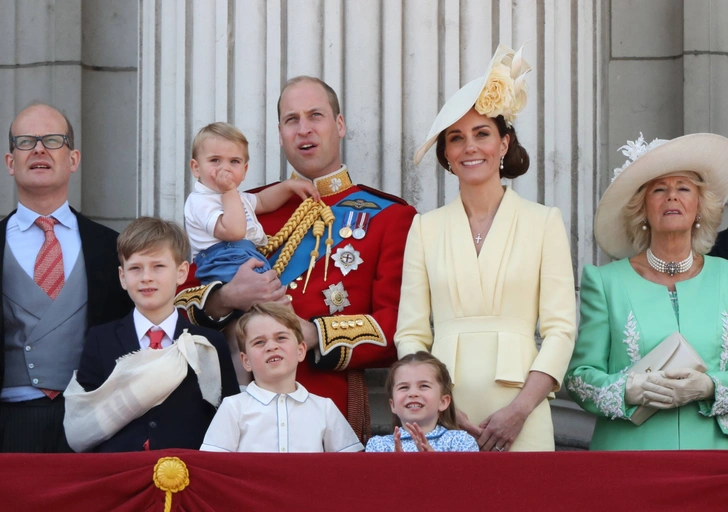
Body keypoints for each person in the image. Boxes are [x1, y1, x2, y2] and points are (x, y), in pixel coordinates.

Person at [175, 76, 417, 441]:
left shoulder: (389, 216)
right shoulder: (241, 208)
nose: (304, 129)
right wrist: (226, 298)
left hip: (327, 404)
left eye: (315, 116)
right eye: (292, 120)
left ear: (339, 125)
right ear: (280, 132)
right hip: (238, 405)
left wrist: (313, 334)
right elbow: (177, 301)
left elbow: (397, 328)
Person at [395, 44, 577, 452]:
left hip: (524, 410)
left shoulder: (544, 222)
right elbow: (410, 332)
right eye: (456, 139)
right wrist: (438, 409)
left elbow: (561, 330)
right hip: (442, 410)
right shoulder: (424, 228)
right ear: (446, 154)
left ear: (504, 143)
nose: (470, 147)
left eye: (482, 134)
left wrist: (521, 410)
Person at [565, 132, 728, 450]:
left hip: (715, 462)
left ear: (699, 207)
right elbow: (579, 378)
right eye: (659, 189)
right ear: (642, 209)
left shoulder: (727, 277)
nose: (672, 197)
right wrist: (630, 389)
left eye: (683, 188)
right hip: (630, 459)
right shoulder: (605, 282)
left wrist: (709, 386)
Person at [0, 103, 132, 452]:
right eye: (26, 142)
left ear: (73, 159)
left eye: (53, 140)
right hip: (9, 424)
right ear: (10, 162)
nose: (39, 149)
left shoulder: (111, 246)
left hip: (92, 419)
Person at [63, 217, 239, 452]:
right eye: (135, 268)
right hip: (118, 477)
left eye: (158, 266)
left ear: (181, 272)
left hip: (190, 476)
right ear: (122, 277)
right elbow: (84, 421)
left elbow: (227, 418)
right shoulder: (100, 340)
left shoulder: (208, 343)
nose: (146, 277)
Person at [201, 302, 363, 452]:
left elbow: (350, 467)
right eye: (259, 342)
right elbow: (214, 467)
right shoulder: (233, 408)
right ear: (246, 361)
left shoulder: (324, 409)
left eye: (281, 338)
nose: (272, 346)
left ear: (301, 351)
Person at [184, 122, 319, 284]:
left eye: (234, 161)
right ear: (196, 168)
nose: (225, 168)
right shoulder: (200, 201)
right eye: (215, 160)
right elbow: (234, 232)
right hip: (221, 261)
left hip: (244, 256)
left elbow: (262, 201)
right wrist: (228, 191)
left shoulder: (235, 196)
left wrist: (288, 186)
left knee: (274, 299)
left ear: (244, 171)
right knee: (264, 298)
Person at [365, 352, 478, 452]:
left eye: (424, 386)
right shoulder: (378, 446)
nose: (413, 393)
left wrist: (434, 463)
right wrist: (396, 466)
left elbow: (467, 476)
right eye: (404, 387)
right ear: (393, 404)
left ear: (443, 402)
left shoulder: (461, 442)